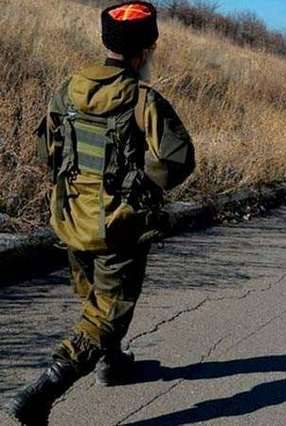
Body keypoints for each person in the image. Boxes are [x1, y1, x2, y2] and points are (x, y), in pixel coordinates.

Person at [5, 2, 196, 424]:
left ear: (106, 41)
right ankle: (42, 391)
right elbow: (177, 160)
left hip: (71, 219)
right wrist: (138, 189)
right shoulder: (142, 97)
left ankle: (111, 364)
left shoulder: (68, 87)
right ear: (145, 51)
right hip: (116, 226)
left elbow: (46, 151)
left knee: (94, 298)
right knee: (106, 314)